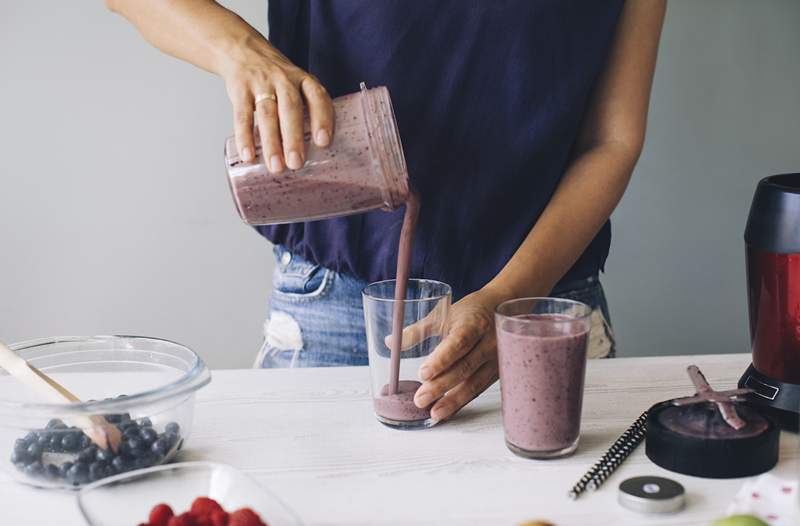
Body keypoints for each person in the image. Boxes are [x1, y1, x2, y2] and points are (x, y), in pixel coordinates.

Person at [107, 0, 666, 423]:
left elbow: (610, 140)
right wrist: (242, 52)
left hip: (540, 311)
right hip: (338, 309)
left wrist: (506, 297)